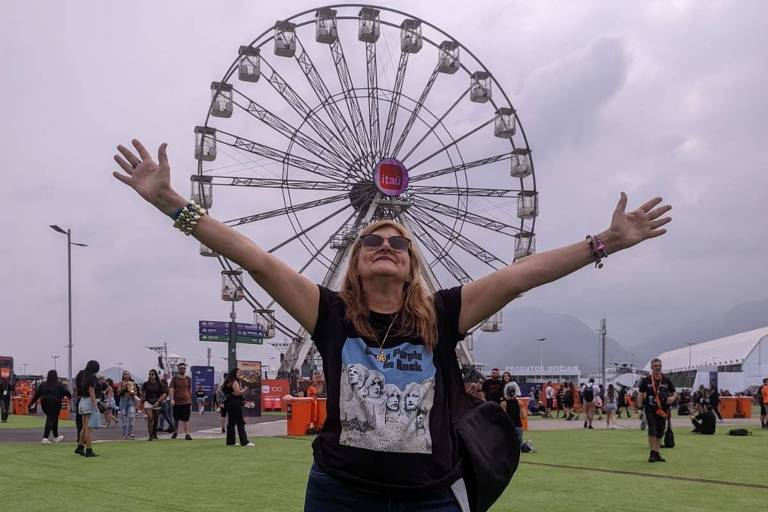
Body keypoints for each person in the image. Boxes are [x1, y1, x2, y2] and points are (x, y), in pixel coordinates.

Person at [113, 138, 670, 510]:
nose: (385, 245)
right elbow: (255, 258)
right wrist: (171, 203)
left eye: (397, 241)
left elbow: (521, 276)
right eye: (371, 241)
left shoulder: (444, 313)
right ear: (355, 260)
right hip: (339, 490)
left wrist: (607, 242)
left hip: (429, 493)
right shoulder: (329, 314)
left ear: (411, 263)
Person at [638, 358, 676, 462]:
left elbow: (674, 393)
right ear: (651, 368)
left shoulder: (666, 380)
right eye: (655, 366)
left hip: (663, 411)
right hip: (650, 410)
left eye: (659, 366)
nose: (658, 368)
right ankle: (652, 453)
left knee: (660, 432)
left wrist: (672, 399)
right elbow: (641, 393)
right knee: (652, 430)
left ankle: (656, 452)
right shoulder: (647, 380)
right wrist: (639, 406)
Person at [29, 370, 71, 444]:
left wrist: (31, 403)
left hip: (44, 403)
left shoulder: (43, 385)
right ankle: (45, 438)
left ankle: (56, 436)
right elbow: (67, 393)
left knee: (53, 418)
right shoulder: (60, 384)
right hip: (56, 403)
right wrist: (69, 397)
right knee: (51, 418)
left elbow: (37, 395)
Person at [75, 360, 101, 457]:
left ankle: (80, 447)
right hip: (89, 402)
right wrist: (95, 405)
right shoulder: (93, 377)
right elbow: (91, 390)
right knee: (89, 429)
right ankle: (89, 450)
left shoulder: (84, 376)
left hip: (82, 402)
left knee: (84, 427)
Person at [223, 368, 255, 447]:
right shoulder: (234, 381)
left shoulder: (228, 381)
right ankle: (244, 441)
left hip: (230, 403)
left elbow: (232, 392)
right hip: (235, 404)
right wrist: (244, 390)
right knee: (240, 422)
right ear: (234, 373)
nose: (239, 374)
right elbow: (237, 393)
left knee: (231, 423)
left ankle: (230, 442)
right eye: (238, 372)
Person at [141, 369, 167, 441]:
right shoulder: (146, 384)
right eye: (150, 374)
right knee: (150, 418)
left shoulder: (159, 384)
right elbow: (142, 392)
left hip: (156, 402)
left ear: (155, 375)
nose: (151, 375)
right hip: (148, 402)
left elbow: (163, 393)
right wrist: (142, 395)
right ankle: (150, 436)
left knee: (156, 419)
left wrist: (159, 401)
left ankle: (154, 433)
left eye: (152, 374)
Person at [169, 362, 193, 440]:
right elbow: (171, 389)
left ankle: (187, 434)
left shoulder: (188, 379)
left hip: (187, 402)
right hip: (177, 402)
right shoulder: (174, 379)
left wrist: (191, 399)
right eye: (181, 368)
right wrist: (172, 399)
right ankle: (175, 432)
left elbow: (190, 389)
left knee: (186, 419)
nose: (182, 369)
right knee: (176, 419)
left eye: (184, 368)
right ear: (178, 369)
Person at [117, 370, 138, 439]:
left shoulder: (132, 383)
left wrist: (131, 391)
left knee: (131, 416)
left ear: (129, 375)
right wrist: (124, 387)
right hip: (123, 400)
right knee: (124, 417)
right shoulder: (121, 383)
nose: (126, 375)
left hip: (131, 400)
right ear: (123, 376)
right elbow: (118, 393)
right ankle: (125, 434)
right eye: (124, 374)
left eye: (127, 374)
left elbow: (135, 392)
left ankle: (131, 432)